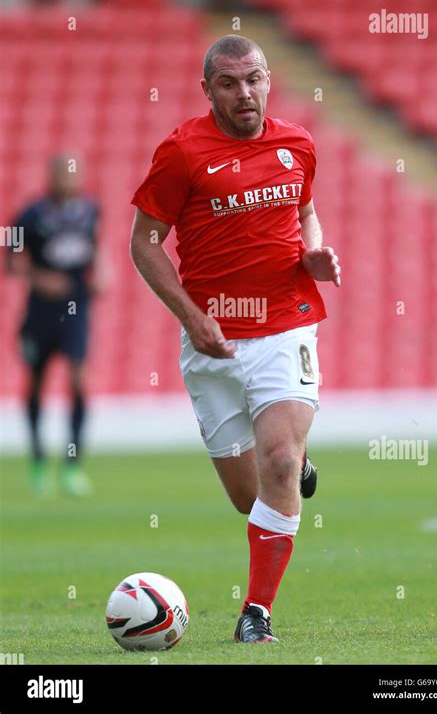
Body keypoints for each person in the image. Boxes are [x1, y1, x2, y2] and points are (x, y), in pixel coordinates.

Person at [130, 35, 341, 643]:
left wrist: (313, 252)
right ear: (208, 90)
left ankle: (256, 613)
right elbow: (143, 244)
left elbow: (304, 211)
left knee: (277, 459)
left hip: (285, 322)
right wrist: (193, 317)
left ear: (269, 79)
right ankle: (293, 469)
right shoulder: (181, 152)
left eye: (253, 79)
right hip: (212, 340)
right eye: (228, 83)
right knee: (250, 499)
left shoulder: (297, 143)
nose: (243, 93)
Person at [7, 155, 104, 497]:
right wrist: (39, 277)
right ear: (51, 176)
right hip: (40, 312)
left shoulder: (90, 211)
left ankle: (72, 466)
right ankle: (37, 461)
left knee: (78, 381)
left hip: (75, 309)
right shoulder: (30, 215)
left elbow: (95, 250)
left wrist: (101, 273)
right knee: (36, 383)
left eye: (73, 172)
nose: (68, 178)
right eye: (62, 172)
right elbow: (9, 259)